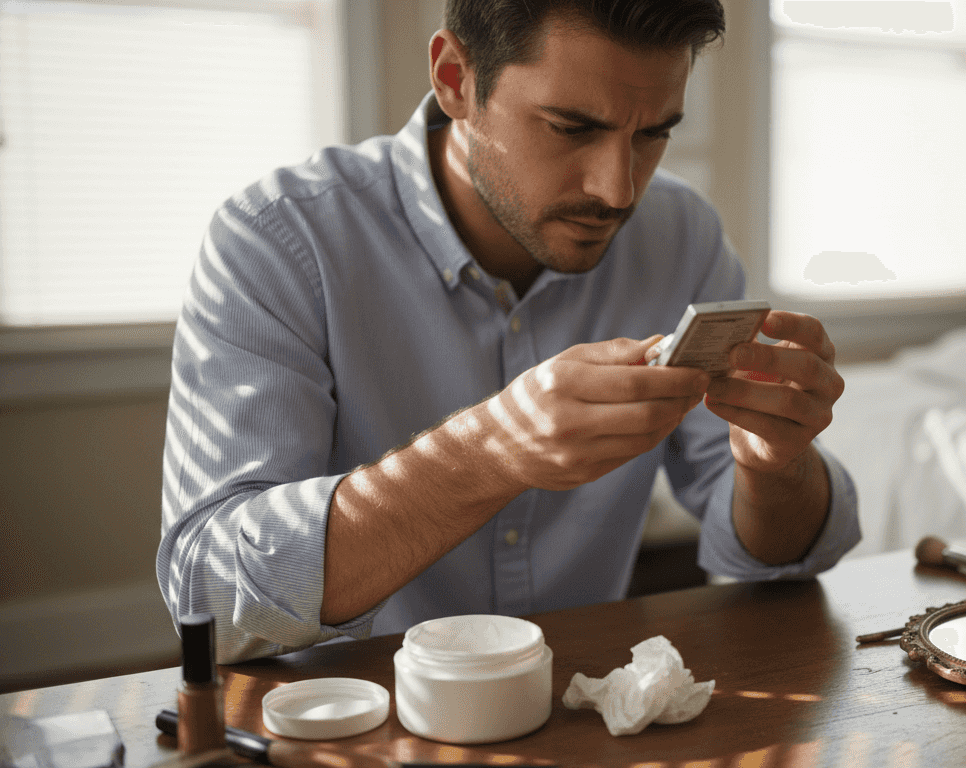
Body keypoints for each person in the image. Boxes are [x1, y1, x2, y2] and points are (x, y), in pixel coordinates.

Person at [157, 0, 860, 664]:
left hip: (584, 716)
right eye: (572, 127)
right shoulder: (278, 241)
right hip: (351, 726)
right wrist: (491, 451)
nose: (618, 190)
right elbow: (209, 593)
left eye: (652, 134)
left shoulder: (684, 236)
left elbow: (774, 555)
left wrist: (775, 467)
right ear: (456, 79)